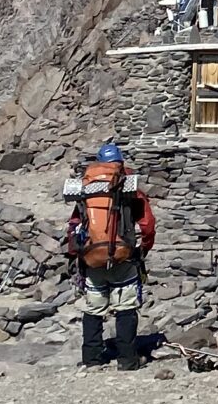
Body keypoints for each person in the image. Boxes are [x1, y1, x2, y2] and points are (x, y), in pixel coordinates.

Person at [62, 143, 158, 371]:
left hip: (92, 258)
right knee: (125, 308)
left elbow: (75, 224)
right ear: (120, 162)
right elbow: (147, 223)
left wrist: (76, 254)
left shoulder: (87, 188)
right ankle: (127, 360)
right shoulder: (128, 186)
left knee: (93, 309)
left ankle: (92, 359)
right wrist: (144, 247)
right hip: (123, 257)